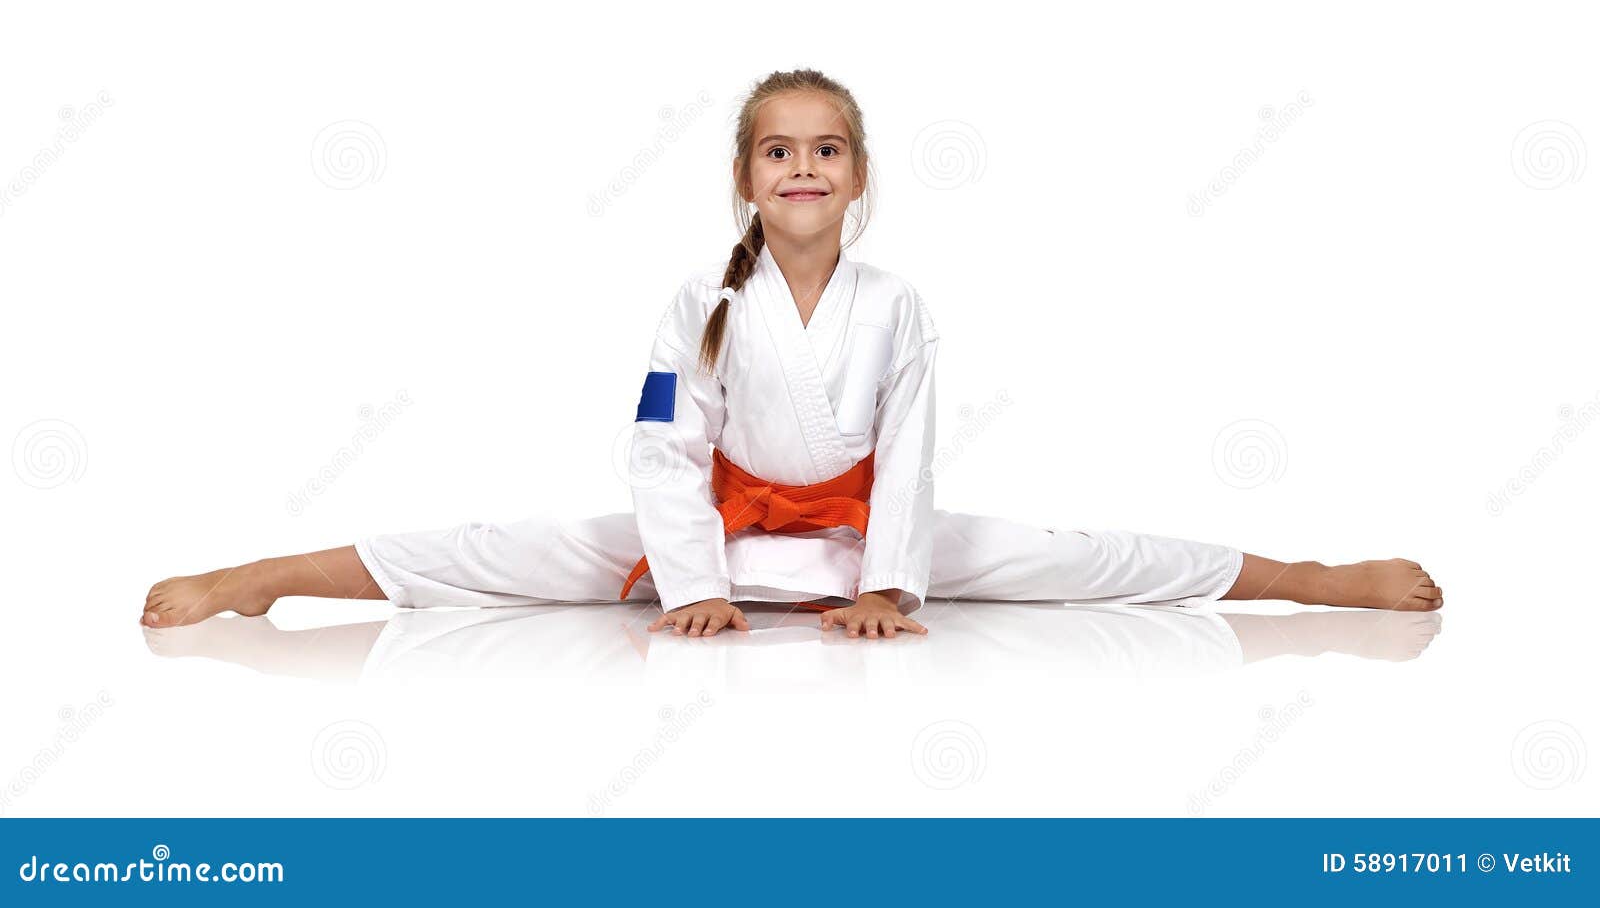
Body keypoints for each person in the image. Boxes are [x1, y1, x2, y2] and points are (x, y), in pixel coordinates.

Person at [141, 69, 1444, 639]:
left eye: (826, 149)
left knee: (1066, 557)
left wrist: (891, 587)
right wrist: (693, 582)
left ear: (858, 175)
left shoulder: (897, 303)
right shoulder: (694, 305)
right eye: (780, 149)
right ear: (745, 176)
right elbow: (663, 446)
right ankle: (270, 575)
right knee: (510, 551)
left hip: (865, 540)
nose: (803, 166)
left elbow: (912, 453)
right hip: (713, 537)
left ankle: (1308, 578)